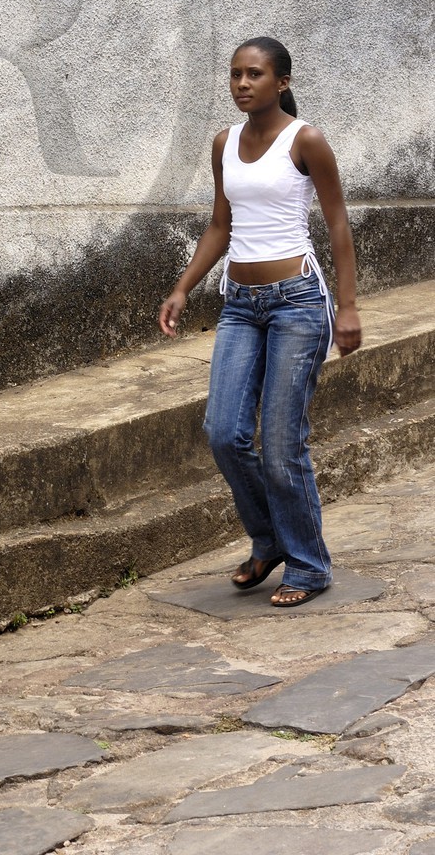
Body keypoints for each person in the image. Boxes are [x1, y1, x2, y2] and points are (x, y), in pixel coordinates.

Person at [158, 37, 361, 606]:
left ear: (282, 83)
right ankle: (269, 539)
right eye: (235, 75)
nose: (242, 84)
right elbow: (220, 226)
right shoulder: (224, 142)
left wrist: (347, 305)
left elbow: (339, 224)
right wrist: (182, 289)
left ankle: (308, 564)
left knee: (280, 443)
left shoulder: (306, 141)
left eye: (254, 74)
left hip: (298, 300)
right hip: (240, 304)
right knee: (223, 432)